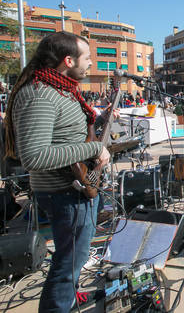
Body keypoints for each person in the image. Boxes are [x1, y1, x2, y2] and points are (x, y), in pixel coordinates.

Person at [4, 32, 114, 312]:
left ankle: (68, 298)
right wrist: (91, 151)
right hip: (64, 194)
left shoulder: (62, 89)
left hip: (75, 188)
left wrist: (100, 120)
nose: (91, 63)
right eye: (87, 57)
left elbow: (66, 134)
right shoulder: (39, 94)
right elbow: (34, 156)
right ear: (68, 60)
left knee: (73, 260)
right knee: (68, 264)